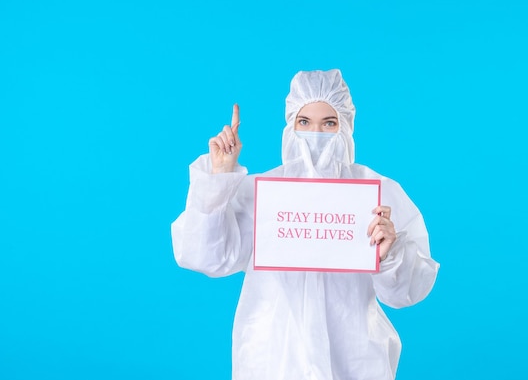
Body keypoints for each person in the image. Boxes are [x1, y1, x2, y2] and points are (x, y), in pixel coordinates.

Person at [171, 69, 439, 380]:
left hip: (353, 361)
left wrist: (390, 254)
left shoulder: (377, 192)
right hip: (273, 360)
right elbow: (206, 257)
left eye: (329, 123)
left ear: (346, 126)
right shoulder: (263, 193)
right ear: (290, 127)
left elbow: (408, 292)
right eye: (304, 122)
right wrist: (219, 180)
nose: (316, 133)